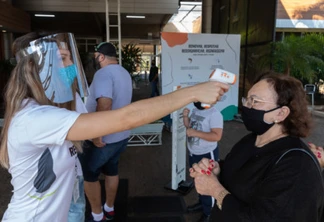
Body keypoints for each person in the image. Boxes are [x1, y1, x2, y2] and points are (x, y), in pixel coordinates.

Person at [0, 32, 229, 222]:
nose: (70, 65)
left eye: (70, 58)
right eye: (62, 58)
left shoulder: (58, 106)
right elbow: (125, 117)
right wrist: (193, 92)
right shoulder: (33, 118)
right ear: (34, 68)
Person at [189, 72, 324, 222]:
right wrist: (218, 169)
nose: (246, 106)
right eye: (247, 100)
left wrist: (215, 190)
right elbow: (244, 175)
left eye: (255, 101)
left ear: (281, 113)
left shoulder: (297, 165)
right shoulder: (251, 140)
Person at [78, 42, 132, 222]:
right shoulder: (124, 72)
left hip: (104, 138)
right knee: (111, 171)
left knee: (89, 174)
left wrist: (96, 133)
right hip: (121, 135)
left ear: (101, 57)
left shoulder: (103, 73)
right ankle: (109, 208)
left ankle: (97, 214)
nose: (95, 60)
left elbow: (105, 103)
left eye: (96, 57)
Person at [183, 102, 223, 222]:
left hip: (206, 154)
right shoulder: (195, 110)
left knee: (208, 183)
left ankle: (209, 213)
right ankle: (202, 203)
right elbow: (189, 126)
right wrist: (185, 117)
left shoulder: (215, 114)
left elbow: (217, 136)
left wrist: (195, 133)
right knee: (198, 180)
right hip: (193, 152)